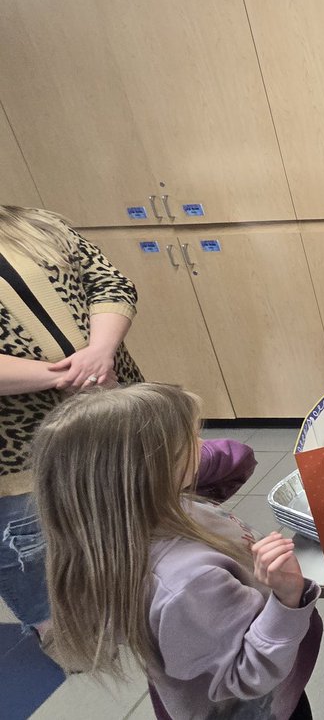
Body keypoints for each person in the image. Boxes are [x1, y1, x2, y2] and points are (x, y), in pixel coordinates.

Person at [32, 383, 322, 720]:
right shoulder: (184, 583)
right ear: (151, 473)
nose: (202, 446)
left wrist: (176, 448)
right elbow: (246, 676)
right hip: (258, 706)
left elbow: (236, 459)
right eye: (189, 442)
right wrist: (288, 599)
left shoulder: (141, 514)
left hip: (244, 672)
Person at [0, 205, 143, 639]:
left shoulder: (36, 222)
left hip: (110, 405)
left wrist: (100, 352)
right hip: (22, 446)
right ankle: (57, 632)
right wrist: (66, 376)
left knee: (129, 504)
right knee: (29, 545)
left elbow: (109, 283)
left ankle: (137, 602)